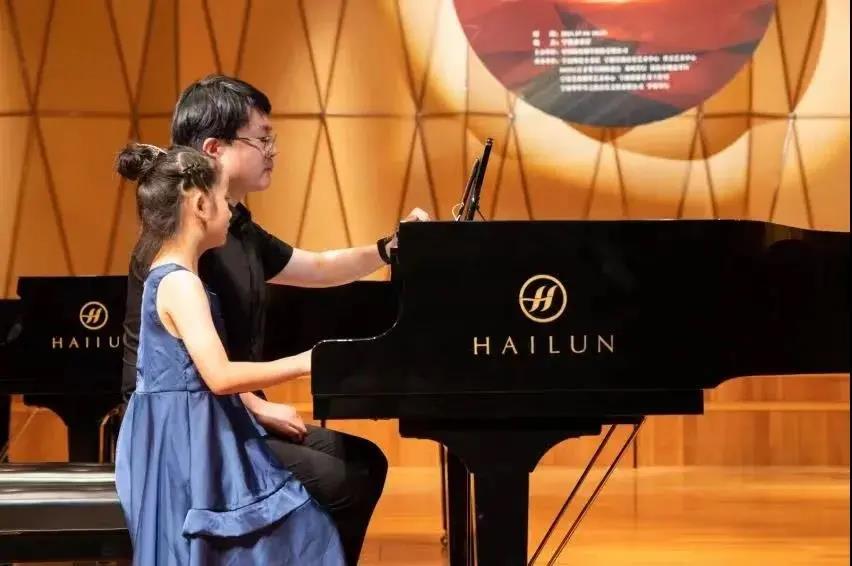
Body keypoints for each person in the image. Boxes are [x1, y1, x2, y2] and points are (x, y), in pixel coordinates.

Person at [121, 74, 430, 565]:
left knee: (364, 461)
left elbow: (317, 266)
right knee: (340, 480)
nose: (273, 151)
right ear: (214, 149)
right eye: (261, 139)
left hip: (219, 408)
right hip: (188, 424)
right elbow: (205, 370)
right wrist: (269, 396)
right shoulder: (188, 254)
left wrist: (386, 249)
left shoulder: (230, 227)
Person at [114, 142, 345, 564]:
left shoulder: (169, 275)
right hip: (188, 438)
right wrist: (303, 362)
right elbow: (218, 376)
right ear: (200, 205)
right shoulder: (181, 283)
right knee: (302, 530)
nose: (230, 211)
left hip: (185, 427)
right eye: (223, 200)